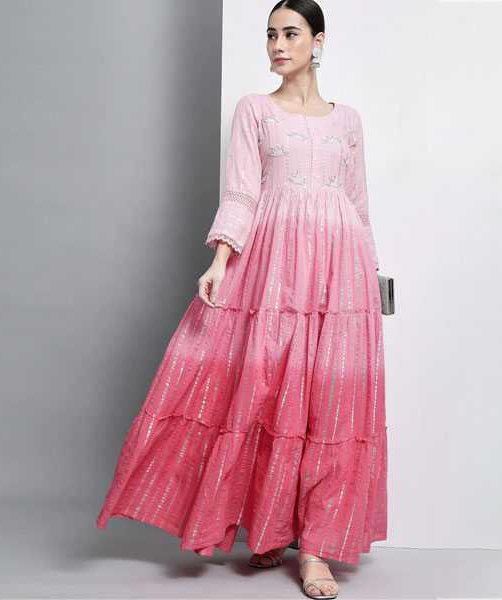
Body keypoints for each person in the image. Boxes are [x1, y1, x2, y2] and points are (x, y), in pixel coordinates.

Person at [96, 0, 387, 597]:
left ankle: (317, 549)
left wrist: (372, 280)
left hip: (342, 273)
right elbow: (242, 193)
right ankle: (273, 529)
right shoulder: (255, 109)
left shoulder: (349, 121)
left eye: (291, 33)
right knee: (270, 395)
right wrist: (220, 261)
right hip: (274, 267)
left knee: (331, 404)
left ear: (318, 41)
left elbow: (358, 204)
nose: (278, 45)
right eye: (271, 34)